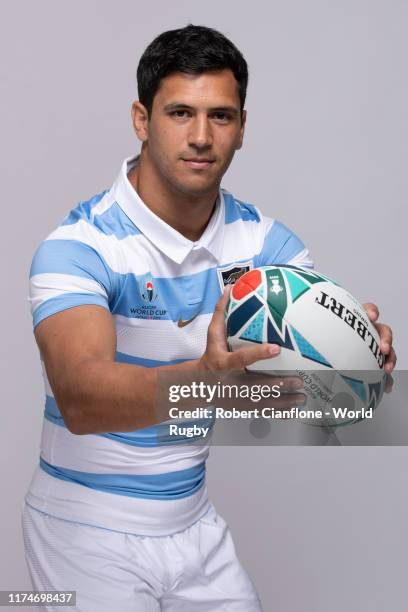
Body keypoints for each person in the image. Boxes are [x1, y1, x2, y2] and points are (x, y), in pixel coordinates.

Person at [22, 24, 396, 611]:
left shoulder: (267, 246)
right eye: (179, 113)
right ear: (142, 120)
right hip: (83, 529)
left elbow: (282, 402)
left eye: (220, 116)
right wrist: (207, 380)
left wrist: (358, 371)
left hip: (193, 525)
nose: (201, 136)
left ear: (243, 127)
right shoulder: (81, 247)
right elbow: (81, 398)